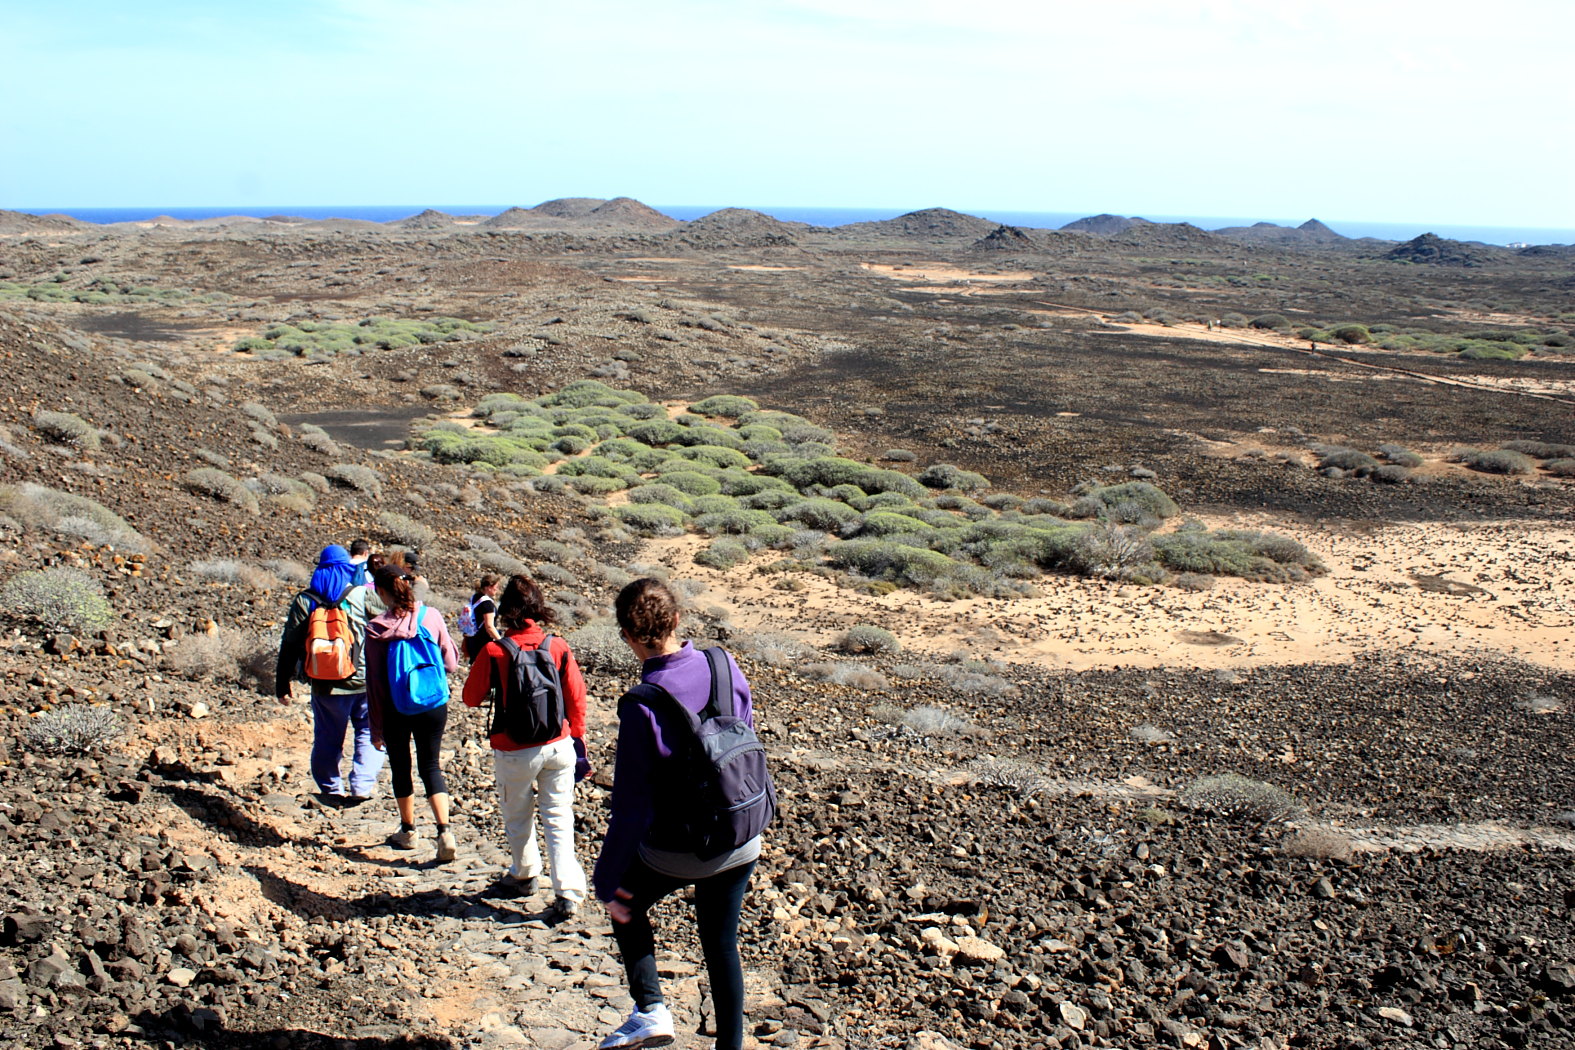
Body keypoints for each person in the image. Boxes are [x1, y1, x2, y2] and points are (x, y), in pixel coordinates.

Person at [594, 578, 760, 1050]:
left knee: (626, 903)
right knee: (721, 944)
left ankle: (650, 1010)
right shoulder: (723, 663)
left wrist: (607, 880)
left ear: (627, 636)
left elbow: (630, 807)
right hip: (740, 834)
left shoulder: (642, 704)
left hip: (680, 849)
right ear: (677, 620)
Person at [461, 574, 589, 919]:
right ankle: (567, 892)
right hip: (558, 743)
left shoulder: (495, 650)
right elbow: (576, 696)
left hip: (513, 748)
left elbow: (470, 698)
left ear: (506, 610)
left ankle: (525, 873)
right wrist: (577, 736)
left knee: (517, 813)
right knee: (559, 816)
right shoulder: (557, 646)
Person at [364, 566, 462, 862]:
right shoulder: (430, 616)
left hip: (395, 707)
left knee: (401, 766)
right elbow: (451, 663)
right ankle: (444, 831)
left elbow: (375, 684)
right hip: (432, 703)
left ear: (381, 592)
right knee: (430, 765)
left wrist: (375, 727)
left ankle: (408, 831)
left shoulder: (377, 628)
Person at [275, 544, 385, 803]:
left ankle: (331, 788)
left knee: (327, 736)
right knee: (368, 732)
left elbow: (289, 645)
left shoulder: (305, 600)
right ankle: (362, 786)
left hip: (325, 683)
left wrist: (282, 683)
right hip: (363, 681)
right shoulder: (361, 594)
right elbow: (390, 622)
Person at [459, 574, 503, 664]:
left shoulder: (475, 597)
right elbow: (489, 627)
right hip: (483, 643)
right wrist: (501, 642)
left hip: (472, 640)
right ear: (488, 587)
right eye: (496, 587)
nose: (497, 590)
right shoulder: (487, 604)